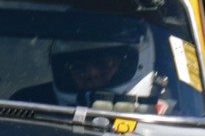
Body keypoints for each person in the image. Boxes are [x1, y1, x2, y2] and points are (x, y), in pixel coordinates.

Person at [12, 27, 155, 106]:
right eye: (78, 65)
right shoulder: (28, 102)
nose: (92, 73)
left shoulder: (163, 110)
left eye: (105, 62)